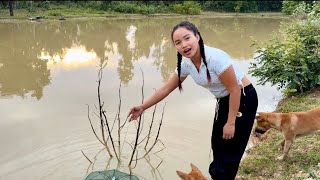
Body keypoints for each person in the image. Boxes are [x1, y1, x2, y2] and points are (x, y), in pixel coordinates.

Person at [128, 21, 258, 180]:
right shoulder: (187, 64)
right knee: (217, 144)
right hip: (224, 100)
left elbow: (235, 89)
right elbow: (167, 88)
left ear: (197, 37)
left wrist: (231, 123)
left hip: (243, 98)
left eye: (187, 38)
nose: (184, 45)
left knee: (230, 148)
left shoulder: (214, 58)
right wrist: (143, 107)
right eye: (178, 42)